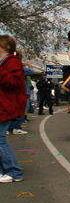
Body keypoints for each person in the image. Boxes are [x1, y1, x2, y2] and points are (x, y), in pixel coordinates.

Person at [0, 35, 28, 182]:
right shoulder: (4, 62)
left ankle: (14, 171)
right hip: (3, 103)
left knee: (0, 140)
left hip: (6, 104)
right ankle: (4, 170)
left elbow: (13, 82)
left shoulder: (12, 62)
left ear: (6, 47)